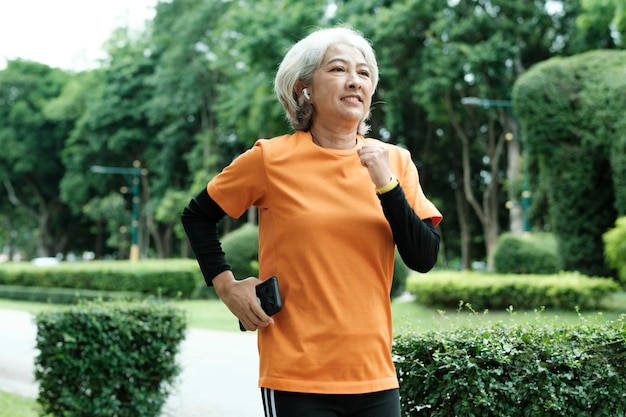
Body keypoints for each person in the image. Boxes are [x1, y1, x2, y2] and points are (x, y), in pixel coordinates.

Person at [181, 26, 443, 417]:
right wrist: (227, 286)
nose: (354, 80)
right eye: (338, 69)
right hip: (296, 377)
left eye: (364, 73)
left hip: (375, 376)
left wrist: (385, 183)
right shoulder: (271, 159)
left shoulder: (395, 161)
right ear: (304, 88)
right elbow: (198, 215)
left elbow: (423, 257)